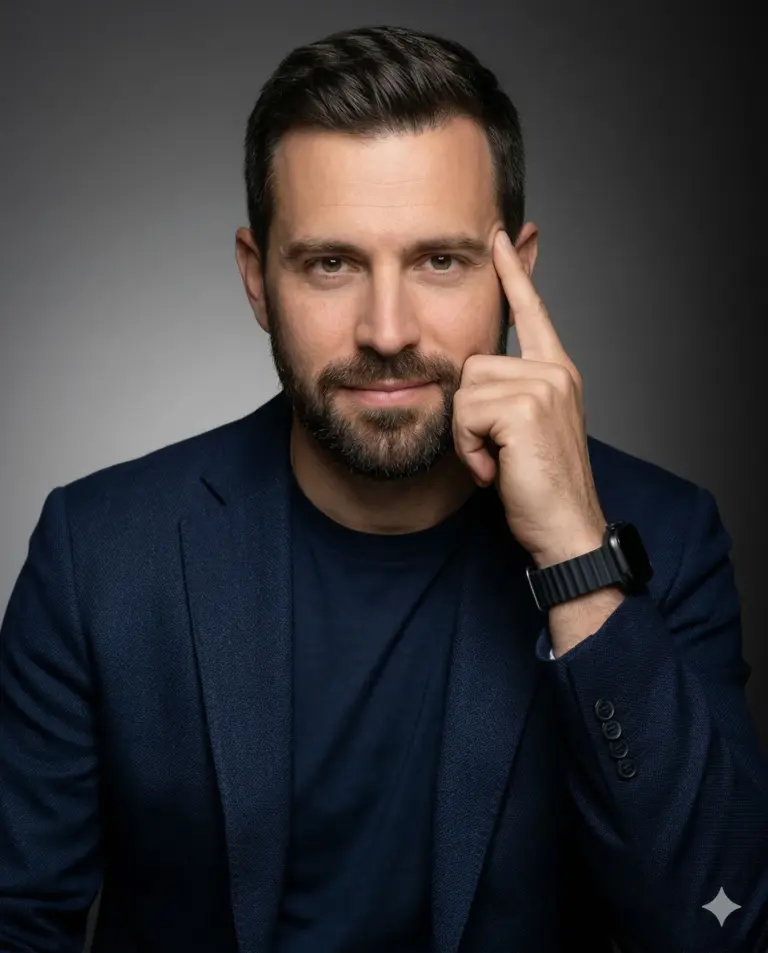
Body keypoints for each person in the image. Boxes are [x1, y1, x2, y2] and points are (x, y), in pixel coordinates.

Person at [1, 22, 767, 953]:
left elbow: (719, 925)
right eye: (332, 263)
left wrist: (577, 557)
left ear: (516, 271)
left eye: (440, 261)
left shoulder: (665, 537)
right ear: (256, 280)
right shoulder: (100, 552)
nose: (388, 328)